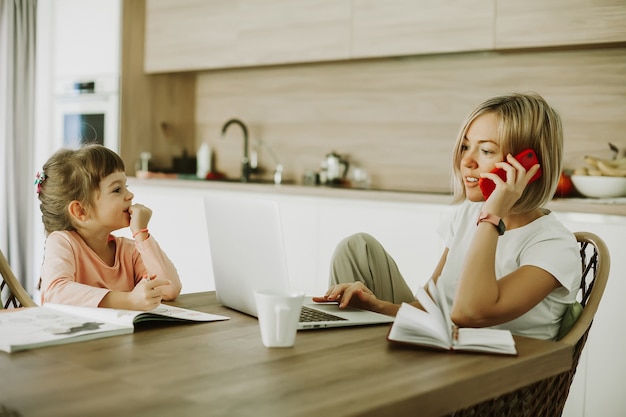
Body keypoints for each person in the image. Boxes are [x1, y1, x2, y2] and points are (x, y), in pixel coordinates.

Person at [313, 92, 581, 340]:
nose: (466, 161)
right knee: (355, 248)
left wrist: (492, 215)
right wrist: (376, 306)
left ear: (528, 166)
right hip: (440, 348)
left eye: (486, 150)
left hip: (498, 380)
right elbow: (432, 307)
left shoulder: (553, 246)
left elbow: (469, 312)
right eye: (465, 147)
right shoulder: (467, 214)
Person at [36, 144, 182, 311]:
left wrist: (141, 234)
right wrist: (128, 300)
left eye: (127, 186)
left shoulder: (130, 251)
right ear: (81, 211)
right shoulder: (62, 242)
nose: (130, 195)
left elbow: (169, 289)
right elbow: (56, 293)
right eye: (117, 189)